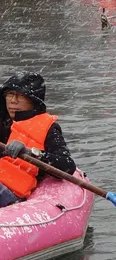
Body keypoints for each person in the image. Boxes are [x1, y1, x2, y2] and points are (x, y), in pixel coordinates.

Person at [0, 73, 76, 207]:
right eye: (10, 94)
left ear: (34, 101)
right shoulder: (3, 120)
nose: (13, 100)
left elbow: (67, 166)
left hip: (10, 192)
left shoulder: (48, 128)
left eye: (21, 96)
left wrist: (31, 152)